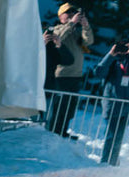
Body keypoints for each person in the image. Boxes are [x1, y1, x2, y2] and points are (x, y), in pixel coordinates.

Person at [92, 39, 129, 165]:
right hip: (112, 103)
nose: (122, 50)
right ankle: (105, 160)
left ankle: (113, 160)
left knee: (119, 136)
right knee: (110, 134)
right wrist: (110, 55)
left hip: (128, 103)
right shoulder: (111, 61)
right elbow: (98, 73)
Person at [44, 3, 94, 137]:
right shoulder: (56, 29)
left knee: (69, 107)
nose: (72, 14)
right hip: (61, 74)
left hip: (76, 75)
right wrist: (72, 23)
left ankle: (62, 131)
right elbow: (61, 37)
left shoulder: (77, 31)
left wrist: (85, 25)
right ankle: (52, 132)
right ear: (60, 16)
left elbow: (89, 41)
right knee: (58, 106)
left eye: (73, 12)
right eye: (68, 12)